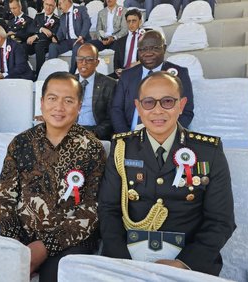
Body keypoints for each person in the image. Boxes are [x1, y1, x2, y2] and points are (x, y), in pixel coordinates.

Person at [98, 71, 236, 276]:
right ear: (138, 106)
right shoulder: (122, 148)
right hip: (127, 261)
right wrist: (126, 263)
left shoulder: (209, 151)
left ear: (181, 105)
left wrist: (183, 264)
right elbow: (108, 210)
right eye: (149, 102)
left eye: (168, 101)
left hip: (188, 264)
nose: (158, 110)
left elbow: (221, 221)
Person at [0, 71, 105, 282]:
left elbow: (92, 210)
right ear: (42, 102)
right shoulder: (21, 143)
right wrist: (15, 243)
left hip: (70, 239)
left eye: (68, 100)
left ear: (79, 106)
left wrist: (45, 246)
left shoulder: (92, 148)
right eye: (52, 98)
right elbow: (5, 197)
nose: (59, 107)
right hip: (21, 236)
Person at [110, 30, 194, 133]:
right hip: (130, 136)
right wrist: (126, 136)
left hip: (165, 137)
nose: (148, 53)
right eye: (143, 49)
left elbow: (186, 112)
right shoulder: (127, 75)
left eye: (154, 48)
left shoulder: (180, 74)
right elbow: (116, 109)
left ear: (164, 48)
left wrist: (167, 135)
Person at [75, 43, 116, 140]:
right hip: (70, 130)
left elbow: (111, 118)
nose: (83, 63)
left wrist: (95, 133)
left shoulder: (109, 84)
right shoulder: (68, 82)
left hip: (95, 132)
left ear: (96, 62)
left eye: (89, 59)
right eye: (80, 59)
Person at [48, 0, 91, 74]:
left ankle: (72, 73)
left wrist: (82, 36)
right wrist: (56, 38)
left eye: (60, 4)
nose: (59, 7)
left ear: (66, 2)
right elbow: (60, 32)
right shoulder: (62, 17)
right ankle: (52, 72)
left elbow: (87, 22)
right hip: (67, 42)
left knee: (77, 48)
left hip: (80, 40)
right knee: (53, 46)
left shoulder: (81, 9)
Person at [25, 0, 59, 77]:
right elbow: (30, 29)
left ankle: (39, 74)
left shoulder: (57, 20)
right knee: (23, 47)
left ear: (54, 7)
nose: (48, 7)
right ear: (43, 4)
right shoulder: (38, 16)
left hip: (46, 43)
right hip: (34, 43)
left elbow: (50, 34)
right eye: (46, 4)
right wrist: (41, 29)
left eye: (51, 5)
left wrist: (36, 36)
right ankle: (26, 72)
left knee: (39, 46)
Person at [111, 8, 142, 78]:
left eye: (134, 21)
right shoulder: (120, 41)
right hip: (123, 72)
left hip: (138, 71)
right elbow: (116, 62)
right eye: (128, 21)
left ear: (140, 21)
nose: (131, 24)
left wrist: (138, 63)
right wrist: (117, 71)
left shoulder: (145, 37)